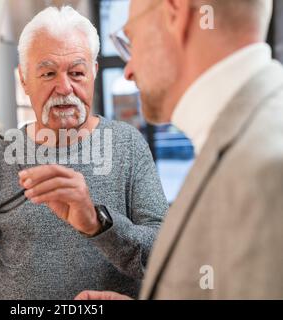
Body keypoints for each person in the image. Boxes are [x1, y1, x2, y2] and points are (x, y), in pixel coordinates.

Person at [0, 6, 168, 300]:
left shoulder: (128, 145)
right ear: (25, 81)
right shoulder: (1, 155)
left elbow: (161, 256)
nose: (64, 87)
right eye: (48, 73)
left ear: (94, 74)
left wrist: (97, 222)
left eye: (77, 72)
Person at [71, 0, 283, 300]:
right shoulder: (239, 138)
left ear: (176, 12)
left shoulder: (268, 167)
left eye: (131, 39)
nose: (128, 71)